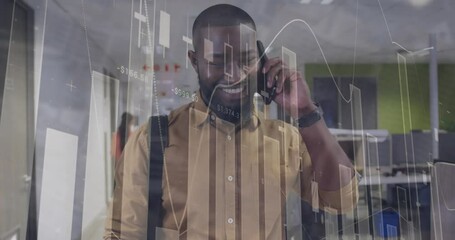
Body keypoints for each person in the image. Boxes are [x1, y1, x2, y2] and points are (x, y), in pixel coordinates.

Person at [105, 4, 358, 240]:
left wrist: (305, 111)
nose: (235, 75)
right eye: (218, 61)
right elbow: (122, 234)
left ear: (260, 60)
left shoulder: (285, 139)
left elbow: (342, 200)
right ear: (195, 61)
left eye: (247, 60)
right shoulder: (154, 140)